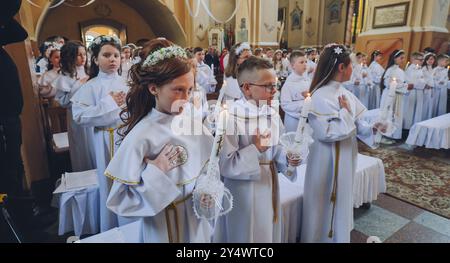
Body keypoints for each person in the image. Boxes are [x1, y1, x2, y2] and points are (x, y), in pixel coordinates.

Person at [106, 38, 214, 243]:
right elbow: (119, 201)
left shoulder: (194, 126)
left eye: (190, 90)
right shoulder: (141, 134)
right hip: (160, 224)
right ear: (154, 88)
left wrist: (206, 193)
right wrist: (156, 172)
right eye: (178, 89)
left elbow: (209, 171)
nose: (186, 97)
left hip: (195, 222)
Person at [301, 44, 383, 243]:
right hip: (326, 158)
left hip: (346, 155)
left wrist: (373, 128)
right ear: (341, 68)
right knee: (324, 198)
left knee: (342, 195)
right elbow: (328, 133)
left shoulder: (344, 92)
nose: (353, 69)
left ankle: (338, 236)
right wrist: (345, 113)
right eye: (351, 65)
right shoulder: (320, 96)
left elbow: (356, 124)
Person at [214, 56, 301, 243]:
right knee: (244, 234)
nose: (274, 91)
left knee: (266, 230)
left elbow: (277, 148)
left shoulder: (271, 113)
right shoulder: (231, 118)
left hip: (269, 183)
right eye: (268, 86)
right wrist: (255, 149)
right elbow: (225, 164)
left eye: (275, 85)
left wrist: (288, 158)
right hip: (242, 190)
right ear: (246, 88)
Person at [71, 35, 130, 231]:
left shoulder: (128, 83)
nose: (112, 59)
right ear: (95, 59)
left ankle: (131, 224)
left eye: (116, 55)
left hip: (129, 139)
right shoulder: (91, 86)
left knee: (129, 182)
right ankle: (112, 226)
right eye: (106, 55)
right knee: (109, 184)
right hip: (105, 138)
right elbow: (80, 116)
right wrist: (110, 102)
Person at [53, 41, 95, 173]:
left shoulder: (91, 72)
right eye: (78, 55)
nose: (83, 58)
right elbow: (63, 102)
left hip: (94, 114)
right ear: (70, 57)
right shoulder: (64, 77)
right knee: (81, 148)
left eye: (84, 54)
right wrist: (77, 86)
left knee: (95, 147)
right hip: (77, 118)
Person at [379, 49, 409, 141]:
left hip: (398, 95)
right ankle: (386, 135)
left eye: (403, 58)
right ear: (395, 58)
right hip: (390, 96)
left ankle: (393, 135)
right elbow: (388, 84)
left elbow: (401, 82)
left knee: (396, 115)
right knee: (389, 114)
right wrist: (405, 85)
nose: (403, 60)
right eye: (401, 58)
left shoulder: (400, 70)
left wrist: (404, 84)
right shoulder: (390, 70)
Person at [280, 50, 311, 132]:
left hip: (307, 119)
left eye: (306, 62)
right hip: (294, 120)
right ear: (293, 65)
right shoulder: (288, 84)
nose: (305, 64)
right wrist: (305, 102)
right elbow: (285, 105)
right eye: (301, 62)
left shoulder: (308, 81)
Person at [403, 52, 426, 128]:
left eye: (423, 60)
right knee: (409, 111)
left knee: (417, 111)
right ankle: (407, 127)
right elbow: (411, 83)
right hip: (412, 93)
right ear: (413, 59)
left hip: (419, 92)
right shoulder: (410, 69)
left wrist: (419, 84)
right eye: (420, 60)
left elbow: (423, 83)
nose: (422, 61)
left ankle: (413, 126)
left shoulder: (420, 69)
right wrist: (418, 84)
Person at [422, 53, 437, 119]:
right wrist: (425, 84)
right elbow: (421, 78)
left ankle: (427, 118)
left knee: (430, 105)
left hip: (432, 90)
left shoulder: (434, 69)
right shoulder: (423, 68)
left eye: (432, 59)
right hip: (425, 89)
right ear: (425, 60)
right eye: (429, 59)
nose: (430, 61)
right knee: (424, 104)